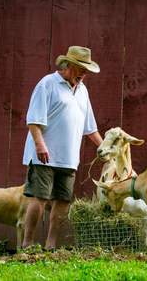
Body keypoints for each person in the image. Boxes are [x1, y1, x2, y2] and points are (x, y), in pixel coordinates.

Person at [21, 46, 103, 252]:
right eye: (81, 68)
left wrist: (105, 150)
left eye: (87, 70)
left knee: (64, 201)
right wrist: (40, 145)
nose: (84, 74)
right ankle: (27, 244)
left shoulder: (82, 91)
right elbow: (33, 120)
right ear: (68, 65)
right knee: (40, 198)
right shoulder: (48, 84)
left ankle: (51, 246)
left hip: (69, 158)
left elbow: (90, 128)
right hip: (44, 156)